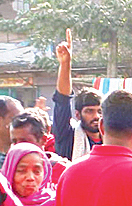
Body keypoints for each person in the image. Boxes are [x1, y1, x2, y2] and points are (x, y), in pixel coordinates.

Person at [53, 29, 103, 160]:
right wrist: (65, 63)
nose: (96, 116)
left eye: (100, 111)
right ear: (77, 114)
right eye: (89, 111)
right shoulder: (68, 136)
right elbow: (62, 100)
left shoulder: (111, 142)